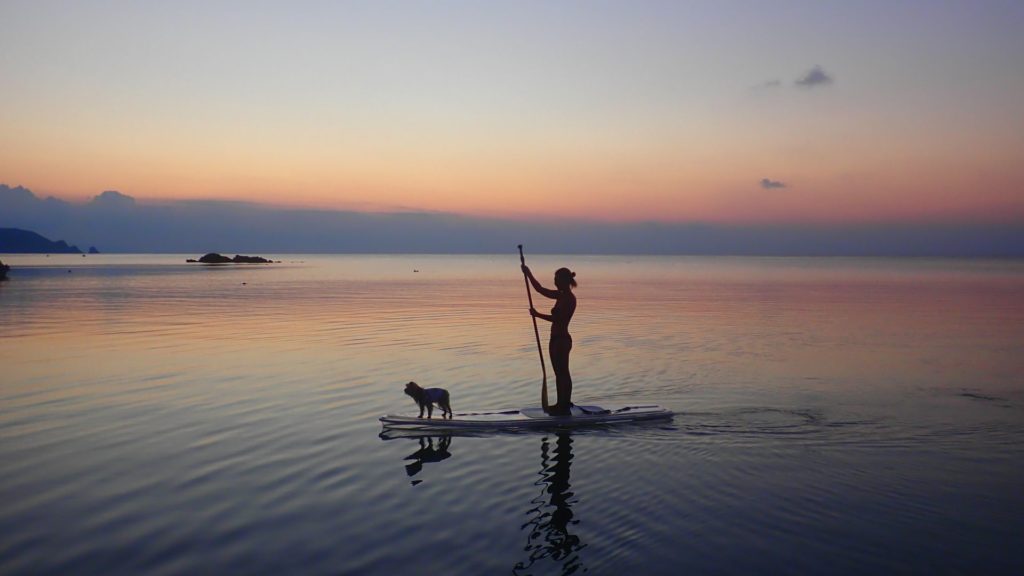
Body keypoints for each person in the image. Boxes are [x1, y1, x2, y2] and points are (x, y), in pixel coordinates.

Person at [521, 264, 577, 415]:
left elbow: (558, 319)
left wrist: (537, 315)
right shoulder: (560, 295)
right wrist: (528, 273)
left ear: (565, 281)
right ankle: (561, 403)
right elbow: (540, 289)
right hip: (555, 340)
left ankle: (564, 405)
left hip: (562, 340)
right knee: (559, 373)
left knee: (563, 373)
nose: (555, 282)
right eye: (554, 279)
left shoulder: (569, 299)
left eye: (557, 279)